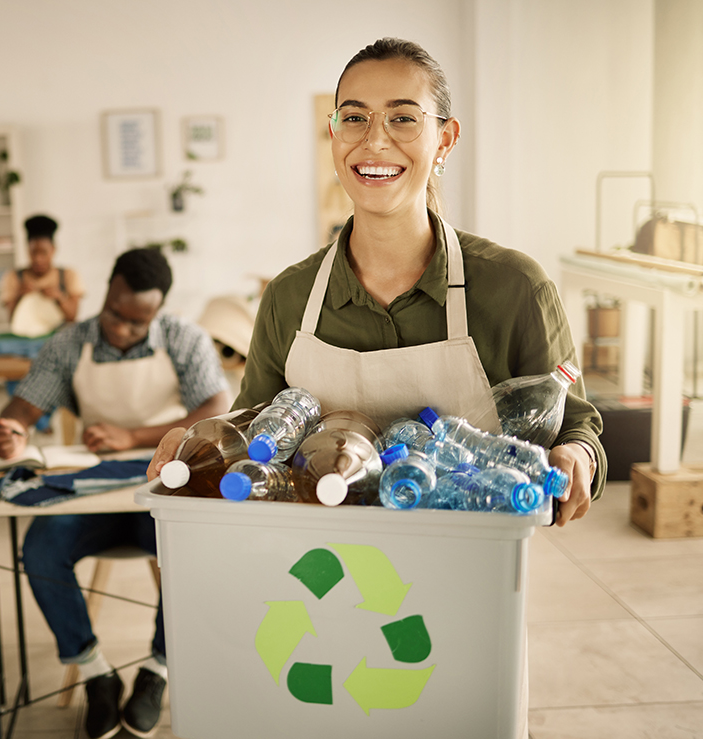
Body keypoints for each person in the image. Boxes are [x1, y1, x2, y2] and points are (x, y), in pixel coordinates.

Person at [148, 39, 607, 736]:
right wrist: (191, 452)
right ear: (333, 135)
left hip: (465, 590)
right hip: (311, 590)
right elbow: (255, 438)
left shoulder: (511, 288)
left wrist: (577, 459)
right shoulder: (291, 299)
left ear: (445, 138)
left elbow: (576, 425)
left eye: (403, 118)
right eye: (353, 117)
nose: (374, 141)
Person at [0, 248, 229, 739]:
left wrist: (133, 437)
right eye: (115, 314)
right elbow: (23, 407)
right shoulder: (68, 343)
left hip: (159, 487)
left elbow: (217, 412)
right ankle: (96, 672)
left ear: (157, 312)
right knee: (40, 548)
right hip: (91, 495)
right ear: (106, 293)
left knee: (191, 549)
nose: (121, 329)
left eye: (137, 323)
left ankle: (158, 670)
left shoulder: (183, 339)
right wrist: (10, 429)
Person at [1, 213, 85, 336]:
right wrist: (19, 296)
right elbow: (12, 320)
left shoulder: (68, 275)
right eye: (33, 252)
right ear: (27, 250)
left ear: (53, 249)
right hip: (27, 341)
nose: (38, 259)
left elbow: (72, 317)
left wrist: (59, 297)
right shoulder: (13, 277)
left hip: (61, 339)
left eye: (43, 253)